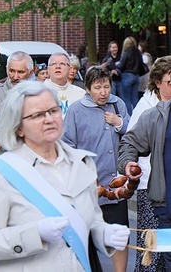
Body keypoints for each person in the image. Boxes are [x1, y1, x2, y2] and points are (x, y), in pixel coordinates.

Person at [0, 81, 128, 270]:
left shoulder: (82, 163)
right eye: (37, 115)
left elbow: (88, 221)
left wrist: (104, 233)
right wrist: (34, 234)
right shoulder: (1, 173)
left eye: (53, 110)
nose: (49, 119)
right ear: (18, 127)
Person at [62, 66, 130, 272]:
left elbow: (133, 135)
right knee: (87, 237)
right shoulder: (75, 110)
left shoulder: (118, 104)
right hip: (88, 187)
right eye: (98, 87)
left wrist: (119, 123)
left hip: (115, 186)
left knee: (119, 235)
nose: (103, 92)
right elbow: (67, 146)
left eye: (106, 86)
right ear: (88, 89)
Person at [118, 58, 171, 270]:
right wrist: (128, 163)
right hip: (166, 209)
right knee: (168, 262)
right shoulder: (155, 116)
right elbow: (129, 142)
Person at [0, 51, 33, 127]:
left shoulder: (39, 96)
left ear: (30, 73)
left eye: (21, 72)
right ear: (6, 70)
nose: (15, 77)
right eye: (12, 71)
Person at [116, 36, 144, 114]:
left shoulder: (126, 52)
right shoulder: (138, 52)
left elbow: (122, 65)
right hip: (136, 76)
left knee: (126, 99)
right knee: (135, 98)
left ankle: (130, 116)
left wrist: (116, 66)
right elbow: (141, 64)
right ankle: (138, 115)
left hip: (127, 76)